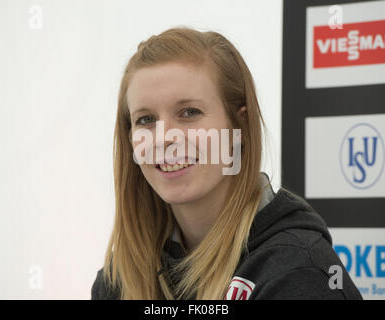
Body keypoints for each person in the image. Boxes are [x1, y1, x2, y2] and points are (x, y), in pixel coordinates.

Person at [91, 27, 363, 300]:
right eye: (146, 119)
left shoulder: (299, 272)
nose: (164, 139)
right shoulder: (117, 280)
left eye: (189, 112)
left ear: (240, 125)